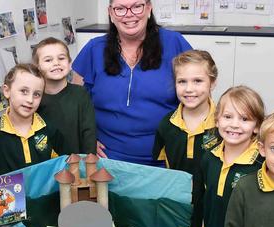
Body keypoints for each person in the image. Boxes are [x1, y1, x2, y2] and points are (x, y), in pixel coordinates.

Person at [73, 0, 192, 166]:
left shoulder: (175, 43)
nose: (129, 14)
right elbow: (74, 103)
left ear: (149, 9)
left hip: (166, 157)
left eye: (137, 6)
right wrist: (87, 140)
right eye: (120, 8)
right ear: (111, 13)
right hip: (107, 159)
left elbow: (198, 95)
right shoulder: (94, 49)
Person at [191, 85, 265, 227]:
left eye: (244, 119)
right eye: (228, 117)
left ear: (257, 126)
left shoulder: (262, 165)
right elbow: (199, 200)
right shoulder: (208, 157)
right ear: (217, 120)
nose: (235, 124)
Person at [0, 63, 63, 174]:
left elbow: (61, 167)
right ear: (7, 91)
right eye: (24, 91)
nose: (30, 100)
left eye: (37, 94)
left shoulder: (50, 128)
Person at [152, 50, 218, 175]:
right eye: (182, 81)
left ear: (212, 83)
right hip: (176, 193)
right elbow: (162, 164)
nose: (189, 89)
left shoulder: (224, 124)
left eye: (198, 81)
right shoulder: (167, 124)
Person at [33, 37, 96, 155]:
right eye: (48, 60)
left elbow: (89, 133)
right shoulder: (34, 100)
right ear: (38, 67)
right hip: (46, 165)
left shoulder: (80, 94)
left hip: (78, 164)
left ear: (69, 62)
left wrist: (89, 162)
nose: (56, 63)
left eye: (61, 58)